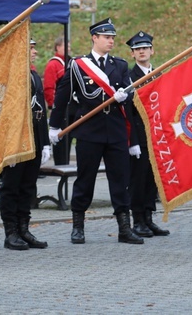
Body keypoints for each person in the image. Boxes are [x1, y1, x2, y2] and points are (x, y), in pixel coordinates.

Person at [48, 17, 143, 245]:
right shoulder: (78, 65)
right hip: (89, 131)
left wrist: (124, 96)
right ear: (95, 38)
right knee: (85, 179)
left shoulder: (119, 65)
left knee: (120, 180)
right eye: (107, 37)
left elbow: (129, 95)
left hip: (116, 131)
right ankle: (78, 226)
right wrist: (53, 125)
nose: (111, 41)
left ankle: (124, 227)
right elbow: (62, 96)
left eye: (112, 38)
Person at [0, 38, 53, 250]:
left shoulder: (33, 76)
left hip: (34, 139)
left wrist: (45, 142)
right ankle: (10, 231)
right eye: (30, 48)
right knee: (11, 187)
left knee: (28, 187)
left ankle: (24, 228)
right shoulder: (10, 78)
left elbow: (40, 109)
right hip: (15, 141)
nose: (34, 52)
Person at [126, 31, 169, 238]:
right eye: (137, 49)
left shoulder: (158, 74)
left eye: (145, 48)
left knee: (153, 178)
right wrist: (132, 140)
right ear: (132, 54)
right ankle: (138, 220)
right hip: (139, 136)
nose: (142, 52)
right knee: (138, 179)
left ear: (152, 50)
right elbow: (128, 111)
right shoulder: (129, 77)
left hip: (157, 135)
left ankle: (149, 218)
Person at [43, 36, 70, 165]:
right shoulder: (53, 64)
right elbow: (49, 87)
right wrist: (53, 105)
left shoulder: (69, 62)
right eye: (66, 46)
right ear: (58, 47)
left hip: (70, 108)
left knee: (68, 139)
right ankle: (60, 165)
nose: (68, 49)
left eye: (69, 46)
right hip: (60, 107)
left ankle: (66, 162)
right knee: (60, 139)